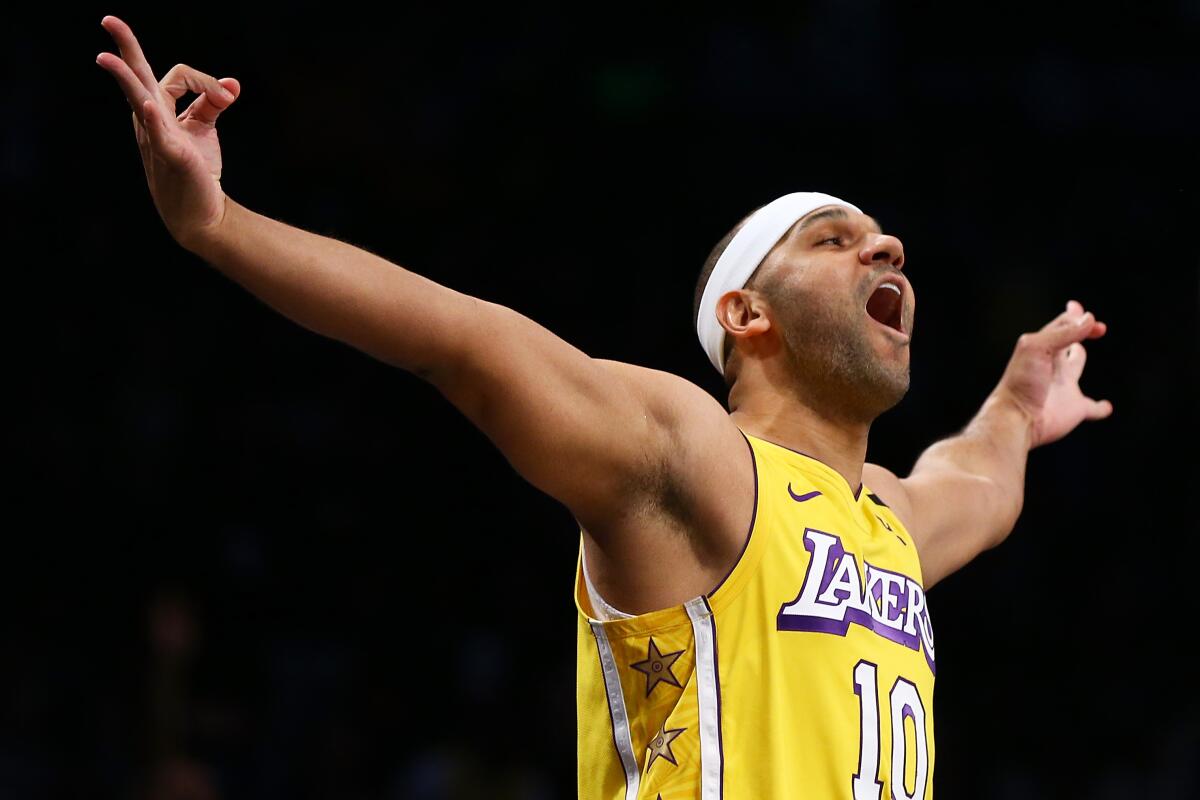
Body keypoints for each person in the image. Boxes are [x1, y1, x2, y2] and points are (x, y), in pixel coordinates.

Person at [96, 14, 1112, 799]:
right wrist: (218, 225)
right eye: (834, 240)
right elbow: (464, 340)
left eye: (884, 238)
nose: (886, 249)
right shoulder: (696, 457)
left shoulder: (886, 521)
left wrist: (1018, 403)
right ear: (746, 312)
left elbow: (975, 480)